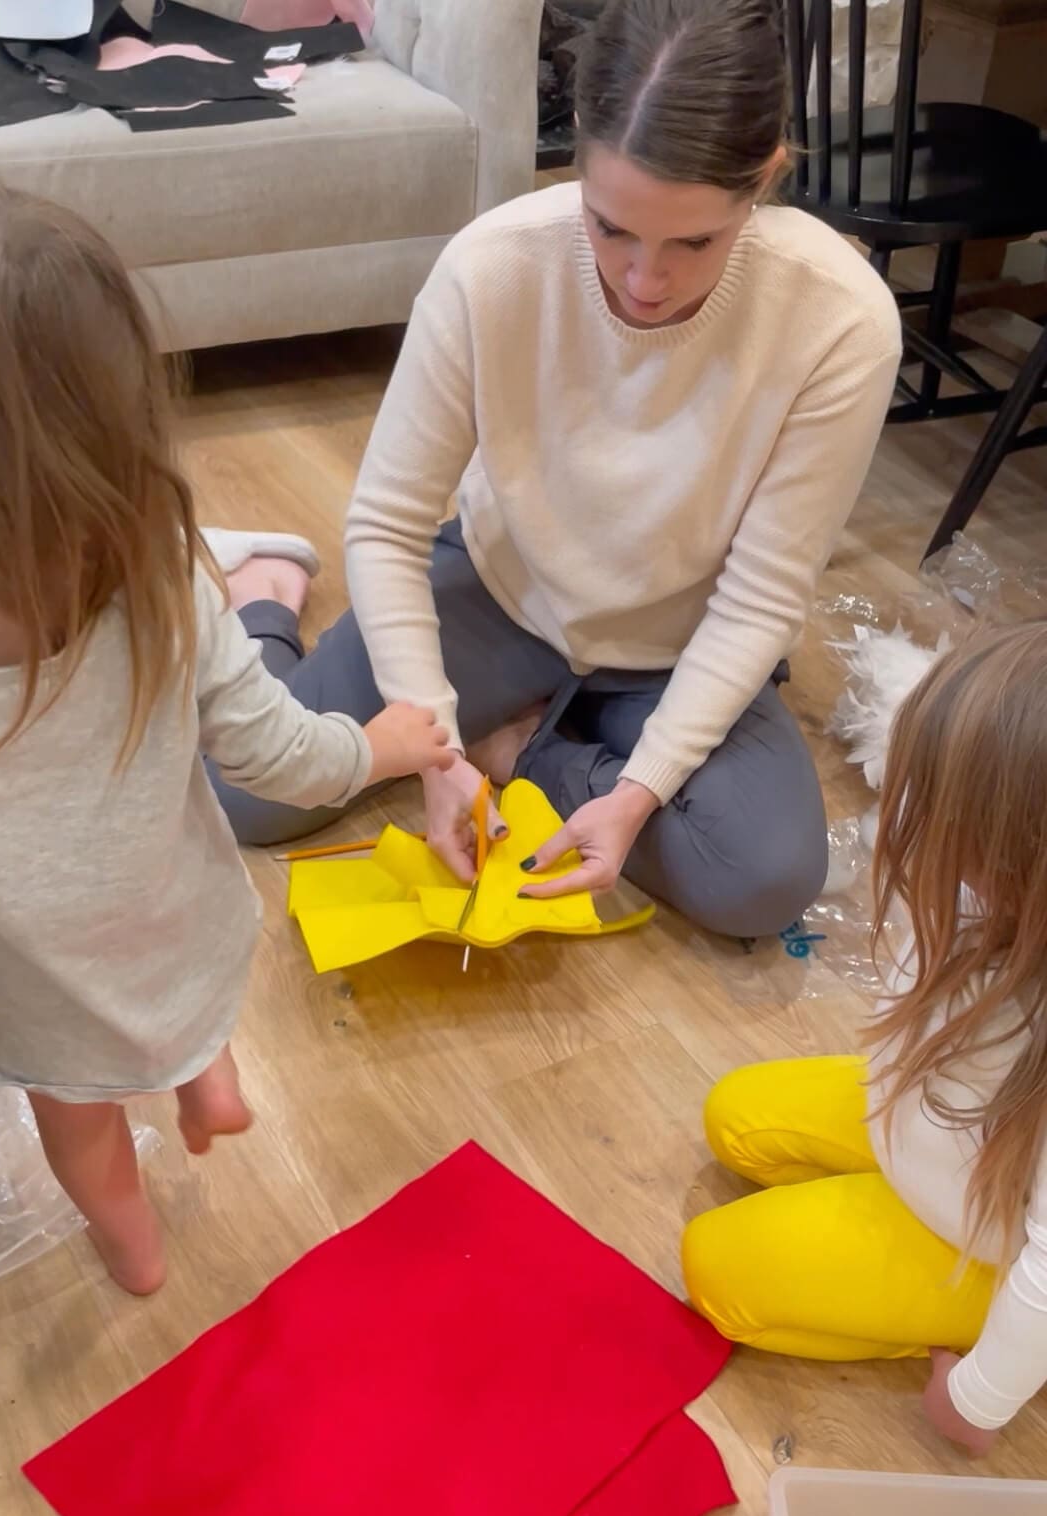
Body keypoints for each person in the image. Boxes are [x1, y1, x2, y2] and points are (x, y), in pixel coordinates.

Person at [213, 0, 902, 939]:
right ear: (577, 148)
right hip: (503, 590)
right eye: (611, 226)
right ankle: (265, 600)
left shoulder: (842, 319)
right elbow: (386, 521)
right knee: (241, 795)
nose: (644, 280)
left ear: (766, 178)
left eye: (693, 241)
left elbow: (762, 596)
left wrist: (630, 795)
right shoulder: (491, 268)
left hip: (678, 640)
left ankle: (525, 745)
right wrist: (432, 746)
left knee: (762, 877)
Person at [0, 176, 451, 1297]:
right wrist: (384, 749)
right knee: (180, 1005)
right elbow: (280, 757)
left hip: (31, 979)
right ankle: (207, 1083)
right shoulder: (163, 572)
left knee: (82, 1127)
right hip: (171, 924)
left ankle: (135, 1252)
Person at [681, 623, 1047, 1453]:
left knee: (718, 1270)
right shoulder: (988, 896)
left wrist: (979, 1397)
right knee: (734, 1115)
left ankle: (977, 1324)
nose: (921, 831)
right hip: (938, 1138)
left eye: (957, 824)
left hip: (984, 1240)